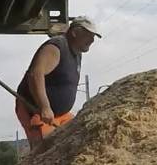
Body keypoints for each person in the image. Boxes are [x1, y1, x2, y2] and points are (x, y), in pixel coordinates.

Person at [15, 16, 100, 146]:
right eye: (88, 36)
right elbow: (35, 75)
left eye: (93, 37)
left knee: (78, 139)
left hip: (61, 115)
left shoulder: (76, 53)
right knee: (46, 151)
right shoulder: (56, 47)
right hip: (38, 112)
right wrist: (45, 107)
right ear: (75, 32)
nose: (92, 40)